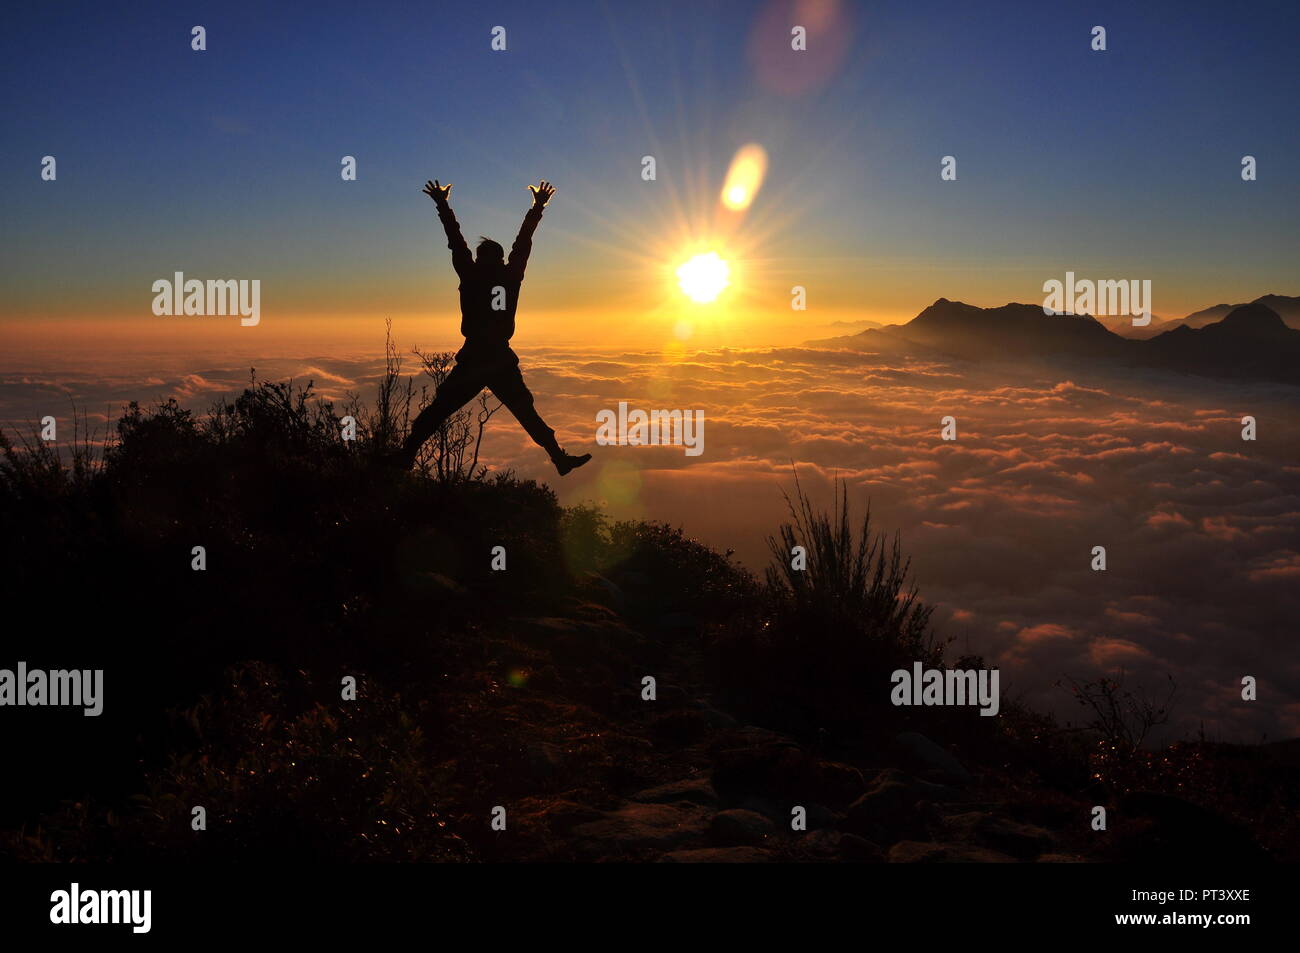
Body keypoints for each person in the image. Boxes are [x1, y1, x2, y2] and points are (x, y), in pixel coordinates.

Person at [398, 178, 591, 475]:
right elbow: (521, 244)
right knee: (525, 413)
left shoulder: (472, 274)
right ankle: (559, 459)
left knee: (440, 411)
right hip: (497, 359)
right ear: (499, 259)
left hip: (479, 358)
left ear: (481, 258)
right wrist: (537, 208)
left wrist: (442, 204)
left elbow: (457, 241)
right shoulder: (509, 275)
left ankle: (405, 456)